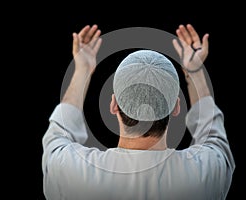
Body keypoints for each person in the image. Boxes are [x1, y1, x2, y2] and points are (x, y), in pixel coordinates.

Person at [42, 24, 235, 199]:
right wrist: (195, 70)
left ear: (113, 105)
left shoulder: (72, 173)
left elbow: (60, 130)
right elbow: (214, 137)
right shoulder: (205, 174)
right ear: (176, 107)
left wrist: (82, 69)